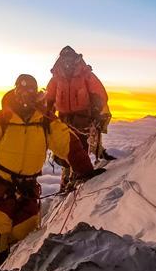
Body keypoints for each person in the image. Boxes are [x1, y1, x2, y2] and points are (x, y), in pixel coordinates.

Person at [0, 74, 102, 269]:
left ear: (35, 92)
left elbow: (68, 144)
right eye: (21, 90)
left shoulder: (46, 121)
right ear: (15, 91)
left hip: (28, 189)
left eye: (30, 90)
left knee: (25, 235)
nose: (25, 94)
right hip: (2, 185)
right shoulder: (1, 119)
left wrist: (84, 169)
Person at [46, 46, 114, 187]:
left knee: (80, 146)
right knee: (65, 147)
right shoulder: (56, 78)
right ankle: (67, 178)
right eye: (65, 58)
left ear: (75, 59)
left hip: (83, 117)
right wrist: (46, 114)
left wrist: (97, 112)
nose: (67, 61)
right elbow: (49, 98)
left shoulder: (85, 74)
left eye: (70, 58)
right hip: (63, 118)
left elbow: (100, 94)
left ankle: (77, 177)